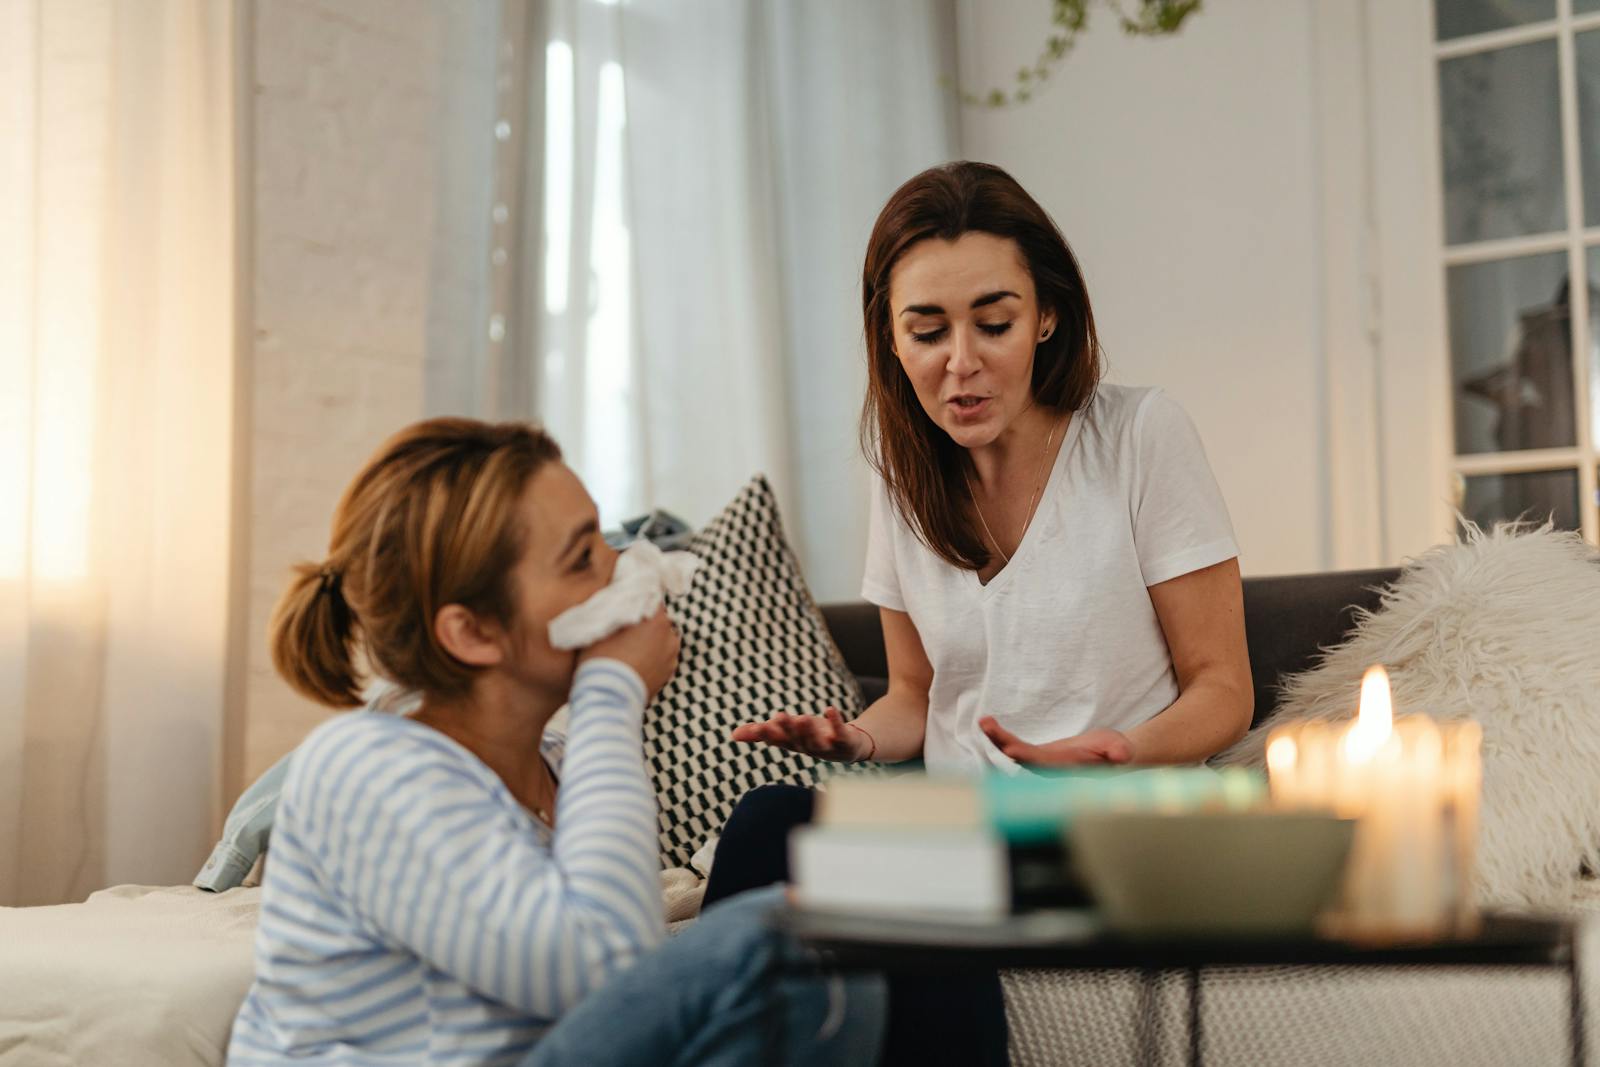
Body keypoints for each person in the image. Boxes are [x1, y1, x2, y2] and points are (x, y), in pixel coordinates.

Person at [710, 161, 1255, 1063]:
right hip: (962, 826)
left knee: (918, 892)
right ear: (890, 338)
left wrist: (1122, 749)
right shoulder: (903, 478)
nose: (960, 361)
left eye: (993, 323)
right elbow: (916, 695)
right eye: (926, 330)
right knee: (771, 819)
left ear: (1046, 314)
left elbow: (1222, 686)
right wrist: (854, 737)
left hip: (1105, 833)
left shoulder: (1139, 437)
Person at [227, 418, 884, 1066]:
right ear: (473, 632)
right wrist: (611, 689)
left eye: (603, 540)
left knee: (835, 870)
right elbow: (600, 968)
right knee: (782, 946)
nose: (624, 569)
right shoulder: (366, 767)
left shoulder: (556, 766)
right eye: (582, 558)